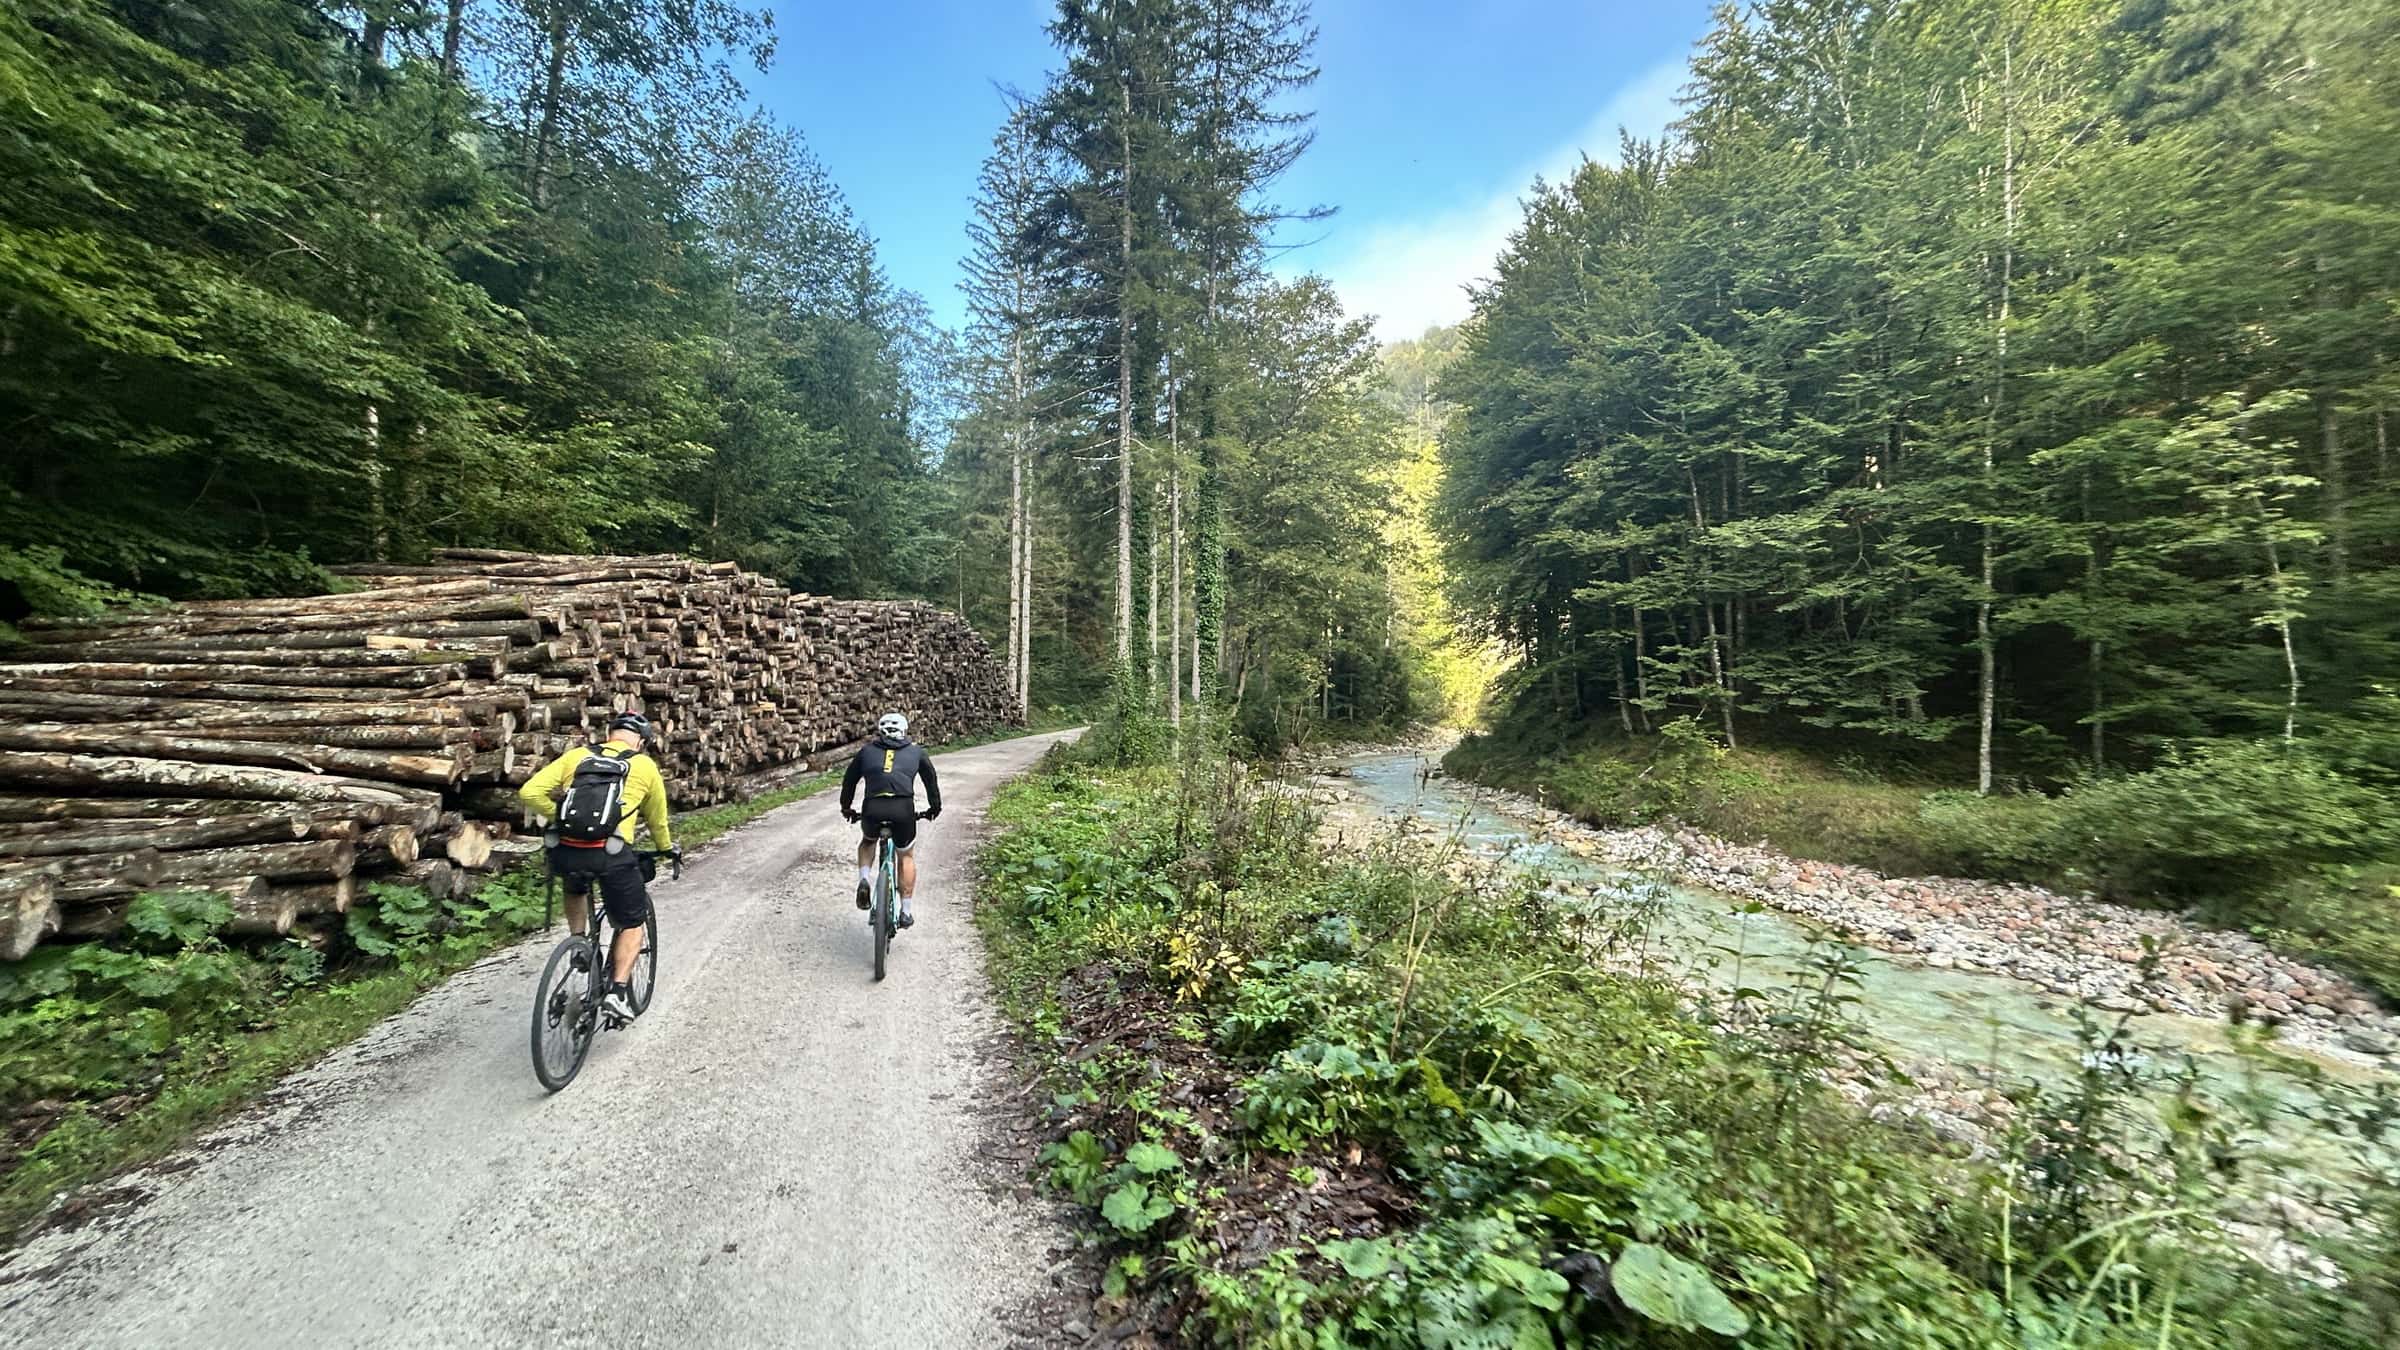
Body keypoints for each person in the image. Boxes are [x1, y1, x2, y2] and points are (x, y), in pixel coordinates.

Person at [517, 712, 677, 1021]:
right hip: (612, 854)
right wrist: (666, 849)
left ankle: (578, 942)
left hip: (567, 851)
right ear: (641, 741)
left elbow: (529, 792)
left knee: (575, 883)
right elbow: (657, 820)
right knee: (632, 922)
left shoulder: (577, 756)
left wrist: (563, 816)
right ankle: (617, 993)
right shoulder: (643, 765)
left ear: (609, 733)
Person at [840, 712, 940, 928]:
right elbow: (930, 780)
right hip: (903, 809)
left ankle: (865, 879)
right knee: (906, 855)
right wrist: (934, 807)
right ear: (904, 730)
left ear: (880, 731)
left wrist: (846, 807)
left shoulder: (866, 751)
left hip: (872, 808)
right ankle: (905, 911)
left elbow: (849, 781)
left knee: (868, 841)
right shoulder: (916, 752)